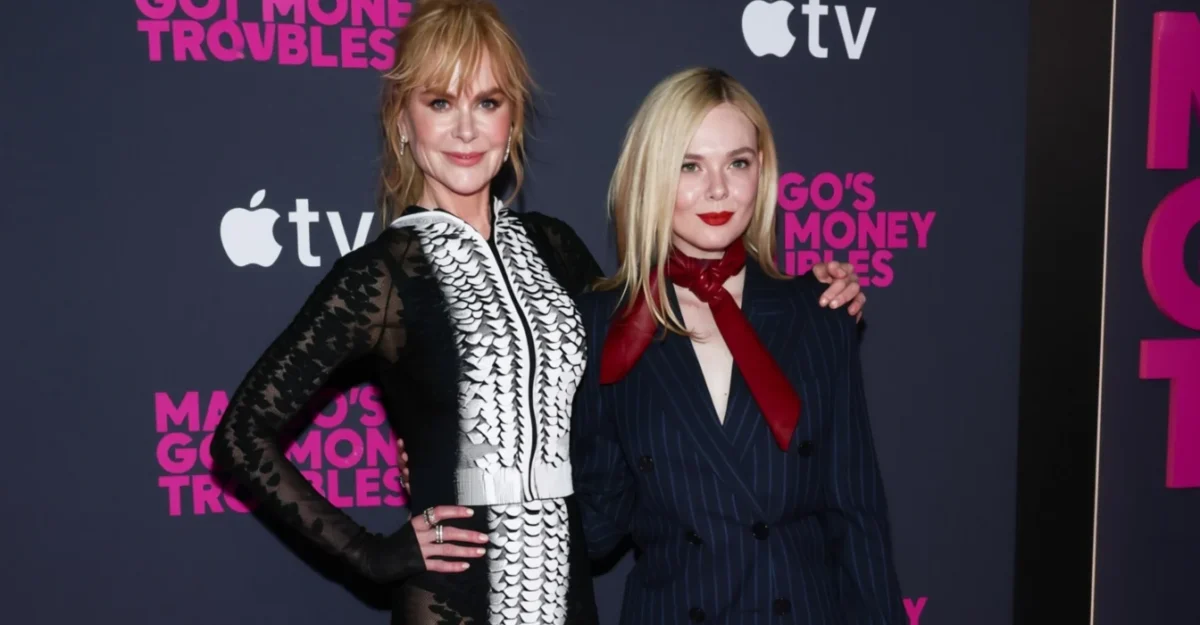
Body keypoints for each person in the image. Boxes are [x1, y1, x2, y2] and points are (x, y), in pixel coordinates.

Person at [210, 2, 867, 625]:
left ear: (513, 120)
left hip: (569, 595)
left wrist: (800, 294)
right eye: (440, 102)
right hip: (451, 602)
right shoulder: (380, 278)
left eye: (487, 102)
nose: (466, 129)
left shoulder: (556, 249)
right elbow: (240, 434)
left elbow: (665, 330)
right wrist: (373, 554)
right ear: (403, 122)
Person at [574, 67, 905, 624]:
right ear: (651, 176)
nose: (718, 189)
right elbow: (596, 525)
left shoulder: (819, 312)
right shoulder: (606, 327)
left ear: (762, 171)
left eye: (738, 163)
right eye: (690, 166)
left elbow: (857, 516)